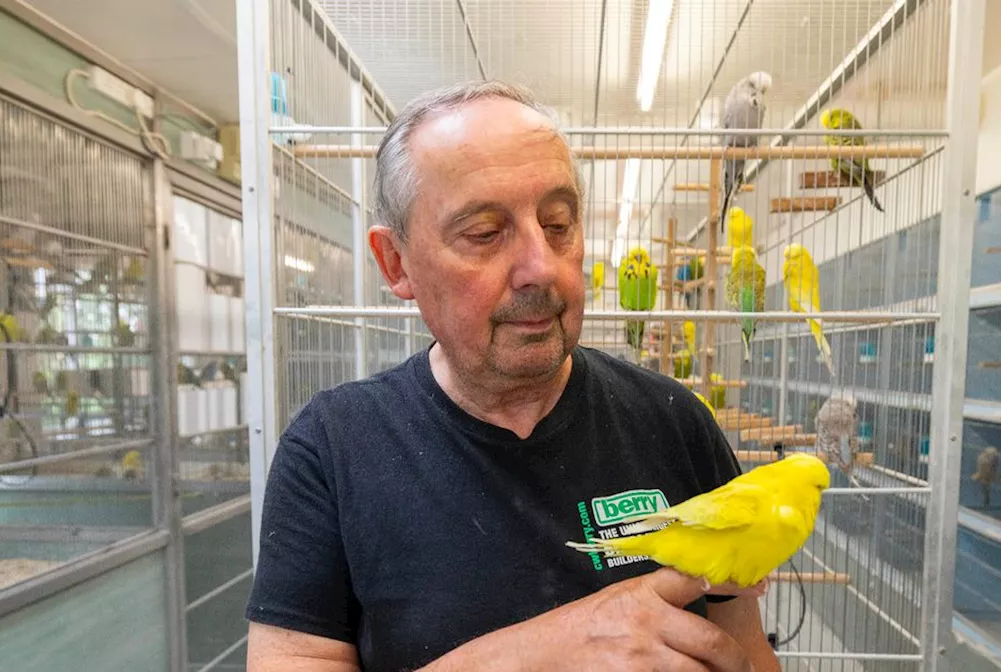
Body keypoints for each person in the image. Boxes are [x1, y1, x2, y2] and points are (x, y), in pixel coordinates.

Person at [245, 80, 782, 672]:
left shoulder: (675, 423)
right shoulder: (332, 448)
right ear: (396, 263)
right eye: (483, 234)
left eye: (558, 224)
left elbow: (747, 653)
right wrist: (550, 648)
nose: (540, 268)